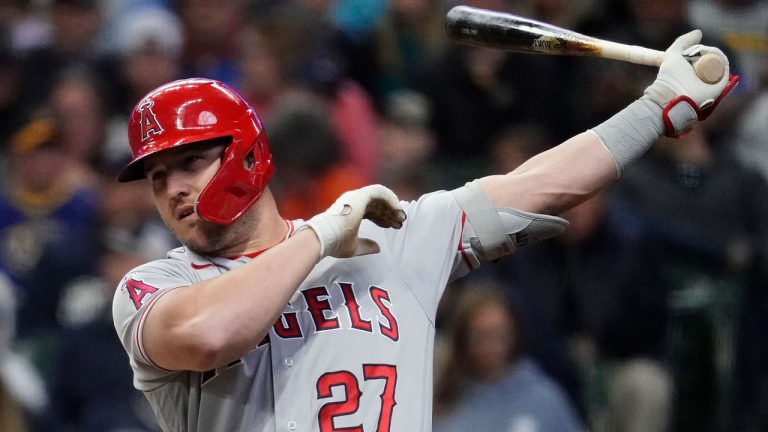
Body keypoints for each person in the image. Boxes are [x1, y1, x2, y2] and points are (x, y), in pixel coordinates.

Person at [111, 30, 736, 431]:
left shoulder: (389, 236)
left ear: (247, 151)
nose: (172, 189)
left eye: (191, 162)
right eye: (156, 177)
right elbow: (209, 333)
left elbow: (540, 184)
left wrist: (658, 110)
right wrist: (323, 235)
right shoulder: (157, 285)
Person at [432, 284, 583, 432]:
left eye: (501, 335)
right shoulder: (441, 399)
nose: (492, 346)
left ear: (515, 334)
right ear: (463, 339)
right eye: (481, 335)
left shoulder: (545, 399)